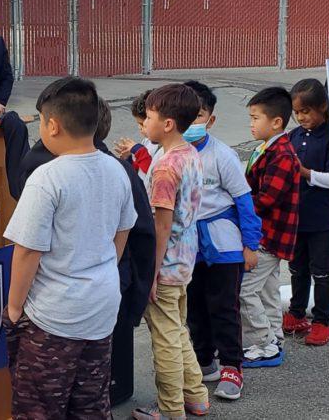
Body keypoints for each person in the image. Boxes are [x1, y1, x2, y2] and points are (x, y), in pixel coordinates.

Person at [4, 76, 136, 419]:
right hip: (101, 307)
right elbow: (123, 230)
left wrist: (14, 307)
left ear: (53, 125)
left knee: (39, 408)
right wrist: (101, 267)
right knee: (91, 404)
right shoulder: (117, 169)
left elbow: (27, 251)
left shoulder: (47, 178)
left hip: (53, 316)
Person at [179, 81, 262, 402]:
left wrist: (250, 245)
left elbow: (244, 202)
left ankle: (232, 366)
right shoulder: (167, 152)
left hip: (224, 245)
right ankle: (204, 360)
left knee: (224, 307)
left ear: (210, 120)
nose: (191, 122)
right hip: (186, 246)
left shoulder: (222, 155)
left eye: (198, 115)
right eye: (185, 115)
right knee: (194, 307)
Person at [132, 84, 210, 420]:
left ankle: (170, 409)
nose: (144, 123)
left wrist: (150, 274)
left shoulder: (165, 167)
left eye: (148, 117)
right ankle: (196, 395)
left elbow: (160, 226)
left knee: (164, 338)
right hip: (184, 259)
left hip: (164, 265)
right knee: (177, 330)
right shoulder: (190, 153)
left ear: (167, 124)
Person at [240, 86, 300, 368]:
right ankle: (274, 339)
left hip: (268, 236)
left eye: (255, 118)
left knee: (244, 291)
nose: (251, 124)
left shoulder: (282, 155)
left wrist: (235, 204)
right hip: (269, 235)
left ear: (276, 122)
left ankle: (264, 344)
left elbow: (265, 199)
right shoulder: (267, 148)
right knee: (266, 291)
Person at [284, 78, 329, 347]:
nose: (301, 118)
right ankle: (296, 313)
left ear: (322, 107)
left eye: (306, 111)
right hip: (296, 216)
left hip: (321, 218)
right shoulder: (294, 137)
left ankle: (321, 321)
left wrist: (305, 173)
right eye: (297, 112)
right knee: (297, 268)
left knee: (320, 270)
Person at [114, 89, 159, 190]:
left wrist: (139, 151)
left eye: (142, 124)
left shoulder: (164, 147)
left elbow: (153, 173)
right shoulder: (147, 141)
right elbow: (139, 170)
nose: (140, 127)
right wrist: (128, 159)